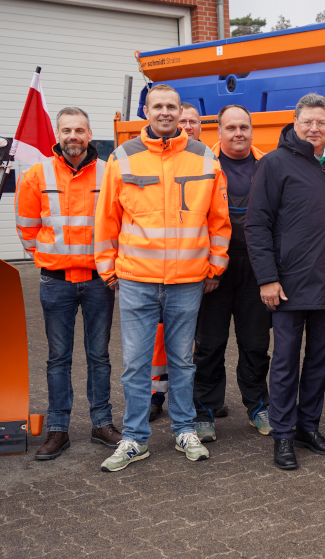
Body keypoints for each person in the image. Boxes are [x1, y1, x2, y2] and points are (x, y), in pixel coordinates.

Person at [94, 84, 231, 472]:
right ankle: (135, 438)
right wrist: (107, 269)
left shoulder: (205, 157)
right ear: (147, 112)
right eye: (158, 106)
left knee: (183, 362)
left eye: (172, 106)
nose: (166, 112)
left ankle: (184, 429)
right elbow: (106, 219)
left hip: (187, 280)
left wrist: (215, 266)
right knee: (135, 364)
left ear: (181, 112)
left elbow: (219, 220)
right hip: (136, 279)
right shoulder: (123, 158)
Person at [246, 93, 325, 470]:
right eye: (307, 122)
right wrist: (267, 278)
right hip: (288, 286)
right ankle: (283, 434)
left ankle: (307, 428)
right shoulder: (275, 164)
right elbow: (257, 224)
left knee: (319, 362)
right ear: (295, 124)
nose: (314, 129)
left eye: (321, 123)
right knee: (284, 363)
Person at [15, 106, 121, 460]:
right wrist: (50, 259)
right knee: (58, 358)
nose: (73, 136)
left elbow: (119, 222)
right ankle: (58, 430)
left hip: (98, 281)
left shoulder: (109, 173)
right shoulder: (36, 175)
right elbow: (27, 231)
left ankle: (101, 423)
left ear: (90, 135)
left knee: (99, 356)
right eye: (66, 130)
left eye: (80, 130)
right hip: (55, 282)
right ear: (57, 135)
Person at [191, 105, 272, 443]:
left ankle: (258, 408)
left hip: (256, 268)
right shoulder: (203, 167)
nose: (238, 133)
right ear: (219, 133)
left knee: (255, 344)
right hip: (215, 271)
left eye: (244, 127)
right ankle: (205, 412)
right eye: (231, 128)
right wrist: (209, 267)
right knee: (210, 345)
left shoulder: (268, 165)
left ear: (252, 130)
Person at [150, 102, 203, 421]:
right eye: (182, 121)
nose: (187, 126)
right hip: (158, 270)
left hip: (196, 270)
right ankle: (156, 395)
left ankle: (194, 399)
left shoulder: (207, 161)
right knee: (159, 339)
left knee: (197, 343)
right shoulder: (160, 163)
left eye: (193, 122)